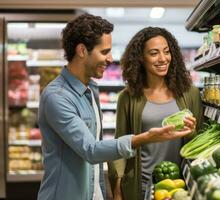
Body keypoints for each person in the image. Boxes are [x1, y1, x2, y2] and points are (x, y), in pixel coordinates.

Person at [37, 14, 196, 200]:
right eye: (104, 52)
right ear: (82, 50)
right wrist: (145, 138)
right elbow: (91, 150)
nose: (110, 58)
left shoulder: (90, 91)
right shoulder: (58, 97)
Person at [109, 27, 203, 200]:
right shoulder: (128, 97)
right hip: (140, 185)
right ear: (141, 59)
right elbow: (120, 143)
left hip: (180, 185)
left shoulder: (190, 93)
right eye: (154, 53)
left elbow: (199, 142)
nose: (163, 59)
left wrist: (192, 132)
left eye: (167, 52)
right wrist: (117, 189)